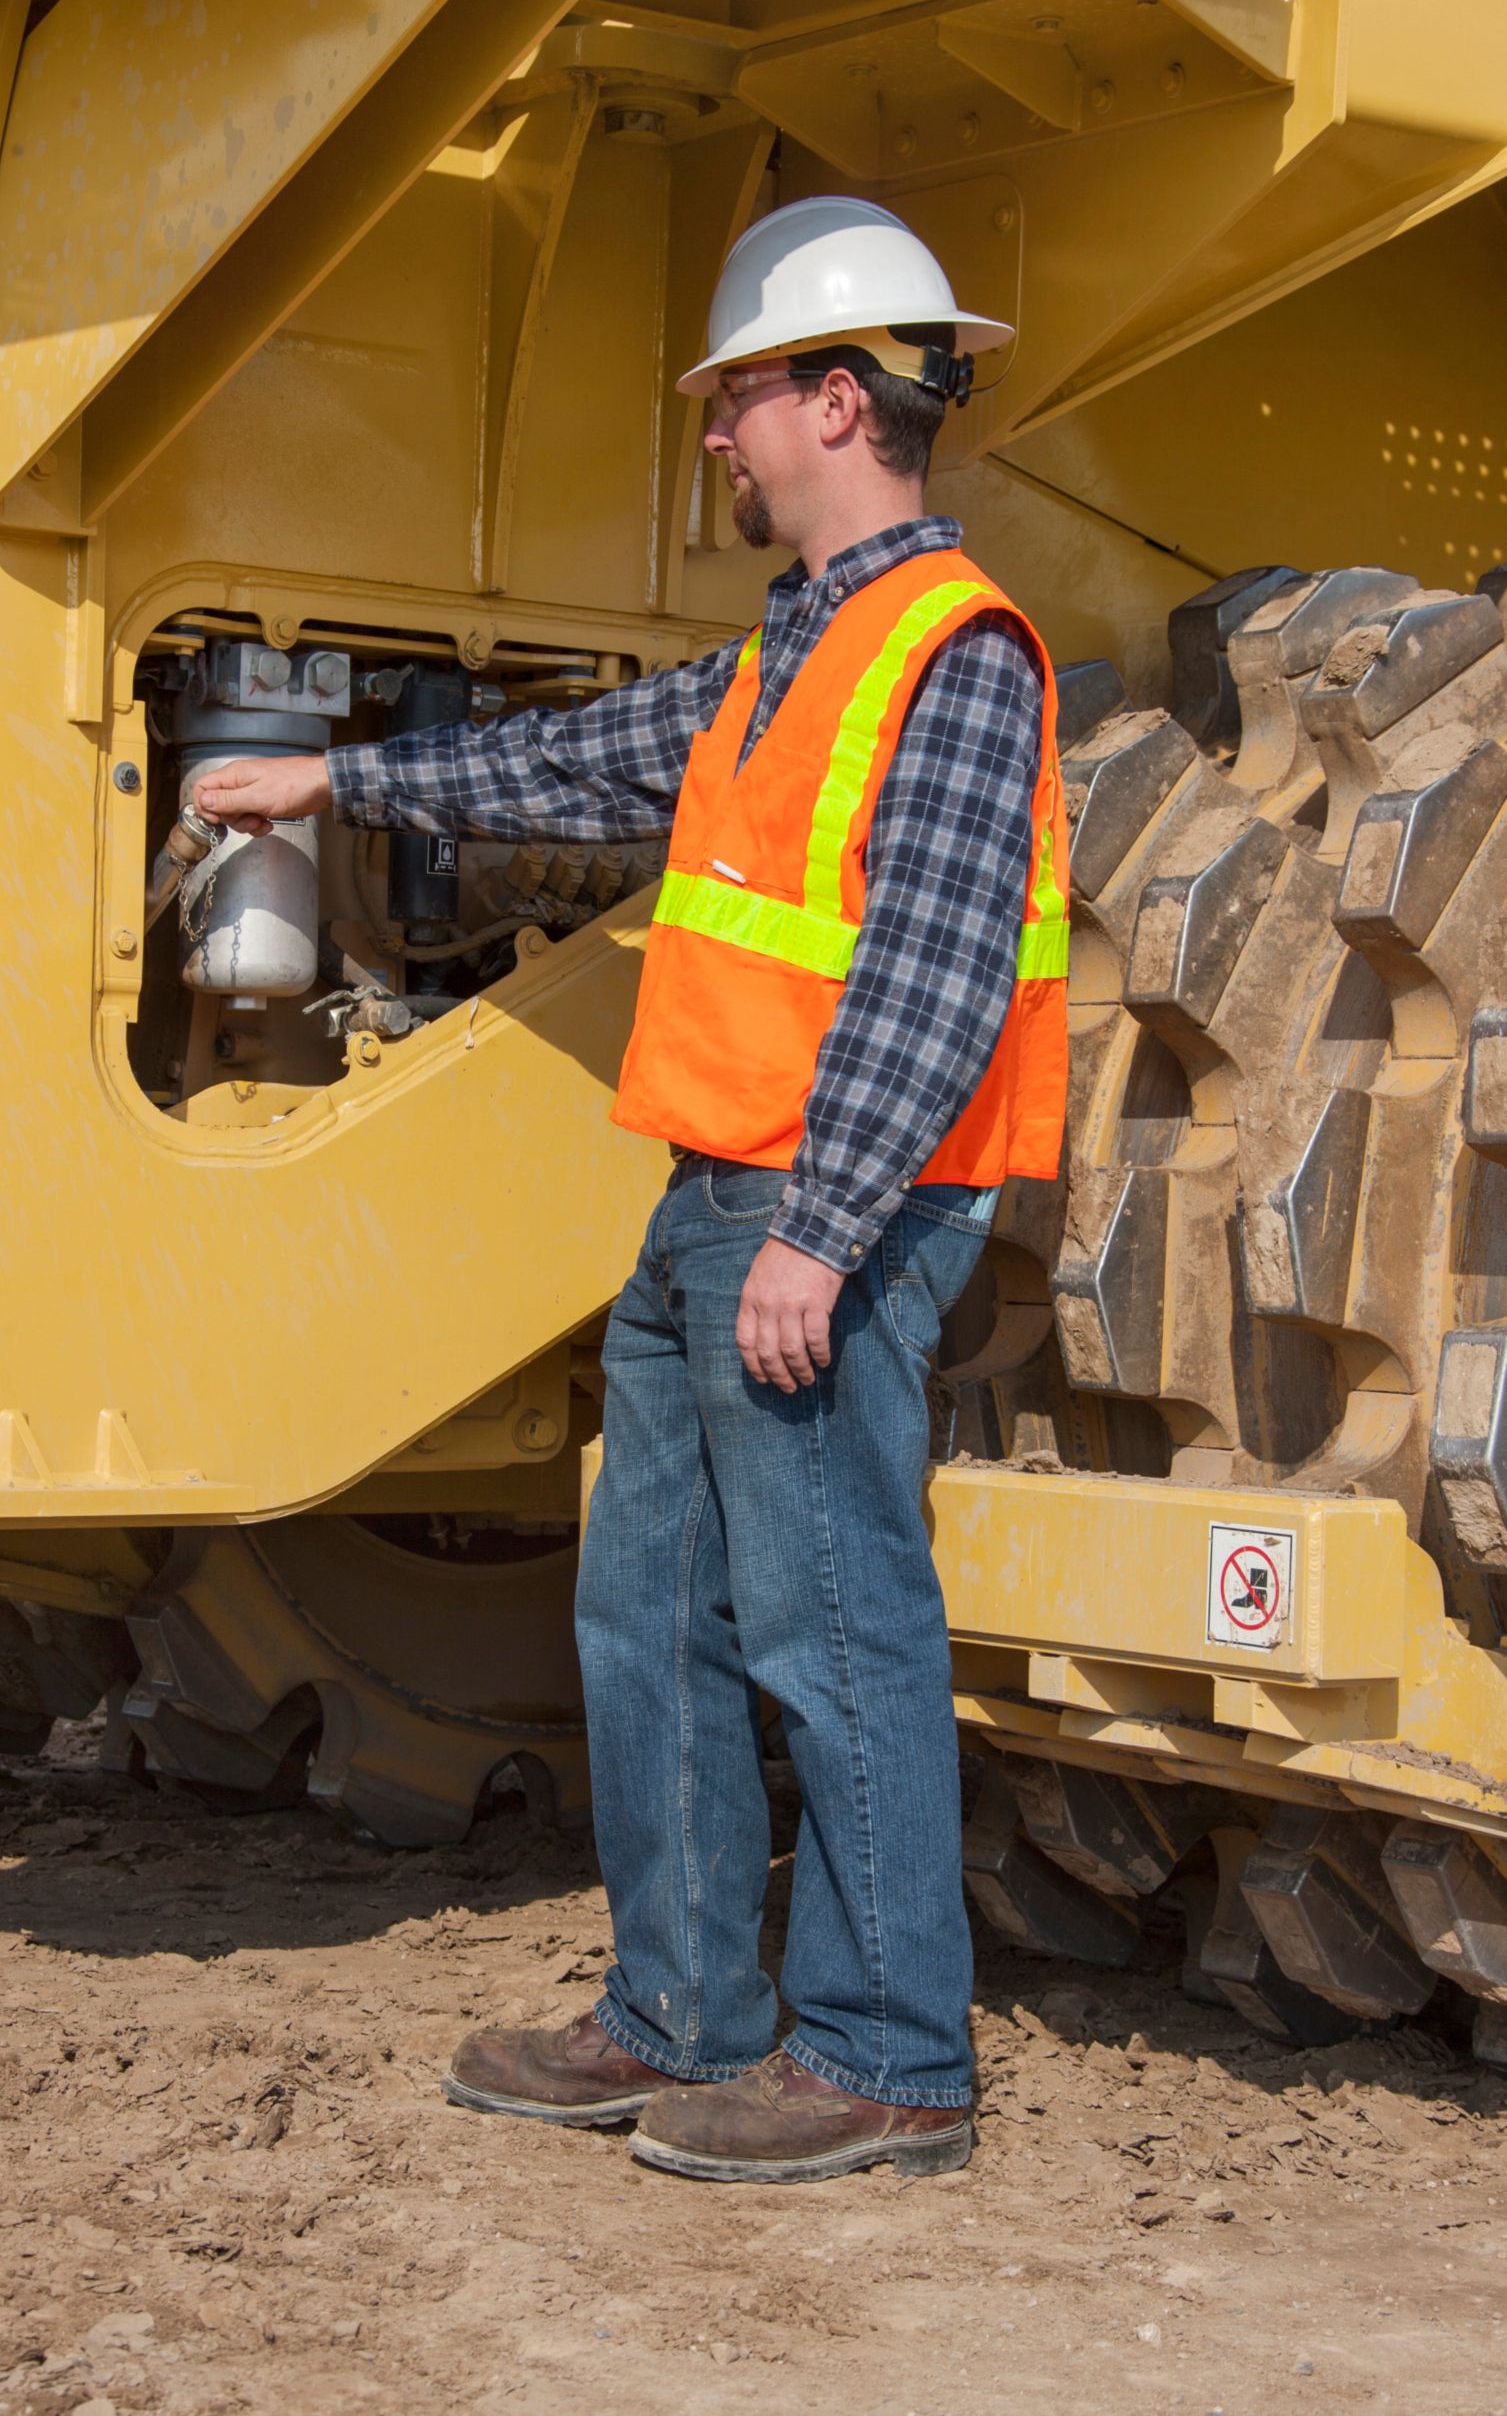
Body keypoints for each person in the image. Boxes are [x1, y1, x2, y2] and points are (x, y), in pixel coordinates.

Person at [196, 196, 1067, 2185]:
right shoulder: (789, 653)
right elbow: (580, 764)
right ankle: (679, 2009)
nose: (714, 437)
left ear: (839, 401)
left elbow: (932, 969)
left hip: (818, 1207)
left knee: (832, 1620)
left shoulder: (957, 654)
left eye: (738, 396)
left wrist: (827, 1231)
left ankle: (886, 2054)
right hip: (710, 1192)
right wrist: (322, 785)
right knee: (646, 1607)